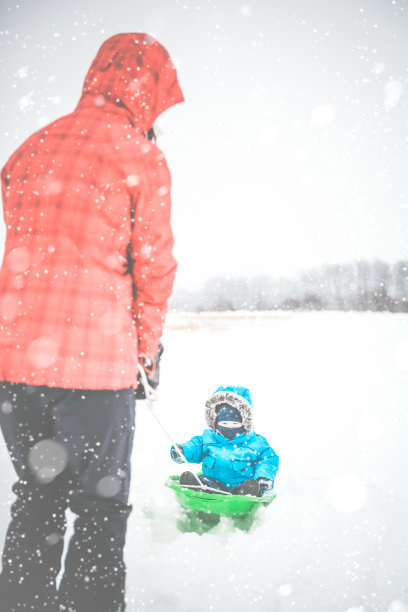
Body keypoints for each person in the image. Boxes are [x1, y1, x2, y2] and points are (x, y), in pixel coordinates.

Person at [0, 32, 184, 612]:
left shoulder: (33, 145)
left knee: (37, 495)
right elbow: (153, 270)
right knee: (101, 506)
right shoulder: (141, 156)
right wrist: (146, 356)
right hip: (93, 370)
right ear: (147, 89)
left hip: (14, 362)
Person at [170, 385, 279, 497]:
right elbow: (195, 446)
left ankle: (248, 493)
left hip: (242, 487)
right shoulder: (208, 438)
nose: (229, 427)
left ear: (245, 423)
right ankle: (198, 488)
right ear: (215, 423)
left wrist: (264, 477)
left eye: (235, 424)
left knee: (248, 488)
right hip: (213, 485)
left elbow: (268, 459)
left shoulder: (256, 443)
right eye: (224, 424)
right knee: (204, 481)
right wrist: (183, 451)